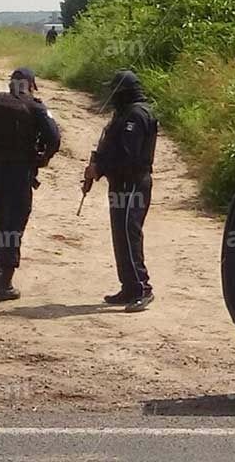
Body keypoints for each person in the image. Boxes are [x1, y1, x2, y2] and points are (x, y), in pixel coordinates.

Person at [0, 68, 61, 301]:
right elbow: (54, 139)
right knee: (14, 223)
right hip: (19, 173)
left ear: (10, 84)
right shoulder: (35, 107)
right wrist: (42, 158)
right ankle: (5, 280)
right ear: (30, 86)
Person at [84, 70, 159, 313]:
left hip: (133, 184)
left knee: (129, 235)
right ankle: (129, 287)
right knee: (120, 236)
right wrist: (98, 164)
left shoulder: (136, 115)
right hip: (120, 184)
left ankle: (142, 289)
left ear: (124, 92)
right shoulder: (124, 113)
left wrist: (100, 168)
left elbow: (128, 156)